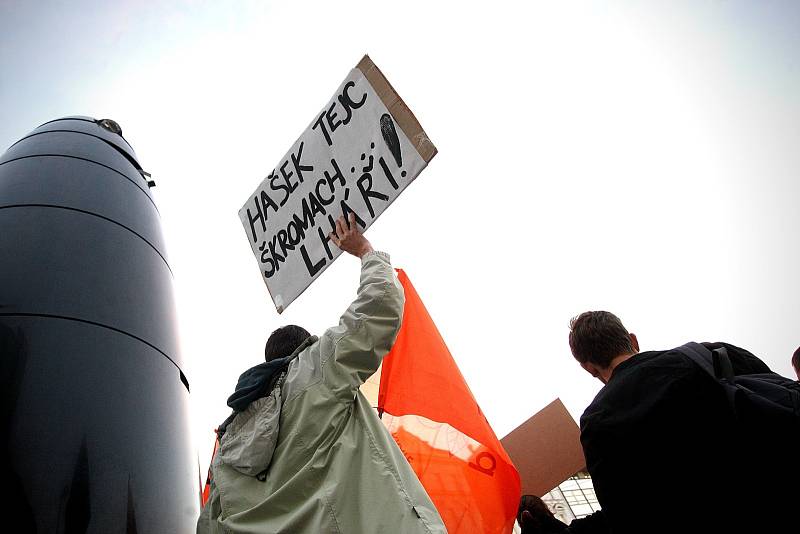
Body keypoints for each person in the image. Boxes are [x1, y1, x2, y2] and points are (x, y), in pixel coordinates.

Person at [198, 214, 445, 533]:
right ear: (302, 350)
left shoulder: (227, 449)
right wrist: (365, 251)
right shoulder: (317, 367)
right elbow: (379, 307)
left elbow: (207, 527)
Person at [545, 311, 790, 534]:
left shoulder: (598, 421)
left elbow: (624, 517)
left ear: (589, 368)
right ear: (632, 340)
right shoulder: (713, 354)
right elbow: (784, 399)